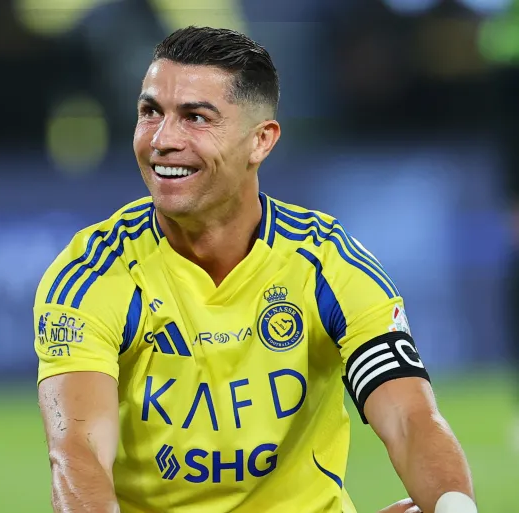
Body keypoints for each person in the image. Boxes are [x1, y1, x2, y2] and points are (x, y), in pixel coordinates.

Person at [33, 26, 476, 513]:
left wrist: (457, 508)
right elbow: (77, 455)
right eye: (150, 112)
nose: (162, 139)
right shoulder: (94, 273)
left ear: (260, 141)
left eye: (195, 117)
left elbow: (411, 418)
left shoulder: (326, 263)